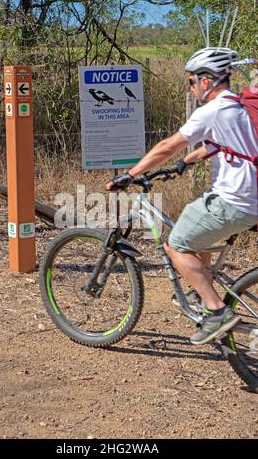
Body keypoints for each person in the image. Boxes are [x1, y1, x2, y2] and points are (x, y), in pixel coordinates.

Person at [106, 47, 258, 345]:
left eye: (191, 81)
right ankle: (202, 292)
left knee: (175, 244)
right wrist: (186, 163)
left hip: (233, 201)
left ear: (206, 80)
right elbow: (220, 145)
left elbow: (167, 146)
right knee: (194, 225)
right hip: (251, 199)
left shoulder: (211, 110)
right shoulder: (237, 106)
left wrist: (131, 174)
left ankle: (217, 312)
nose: (191, 86)